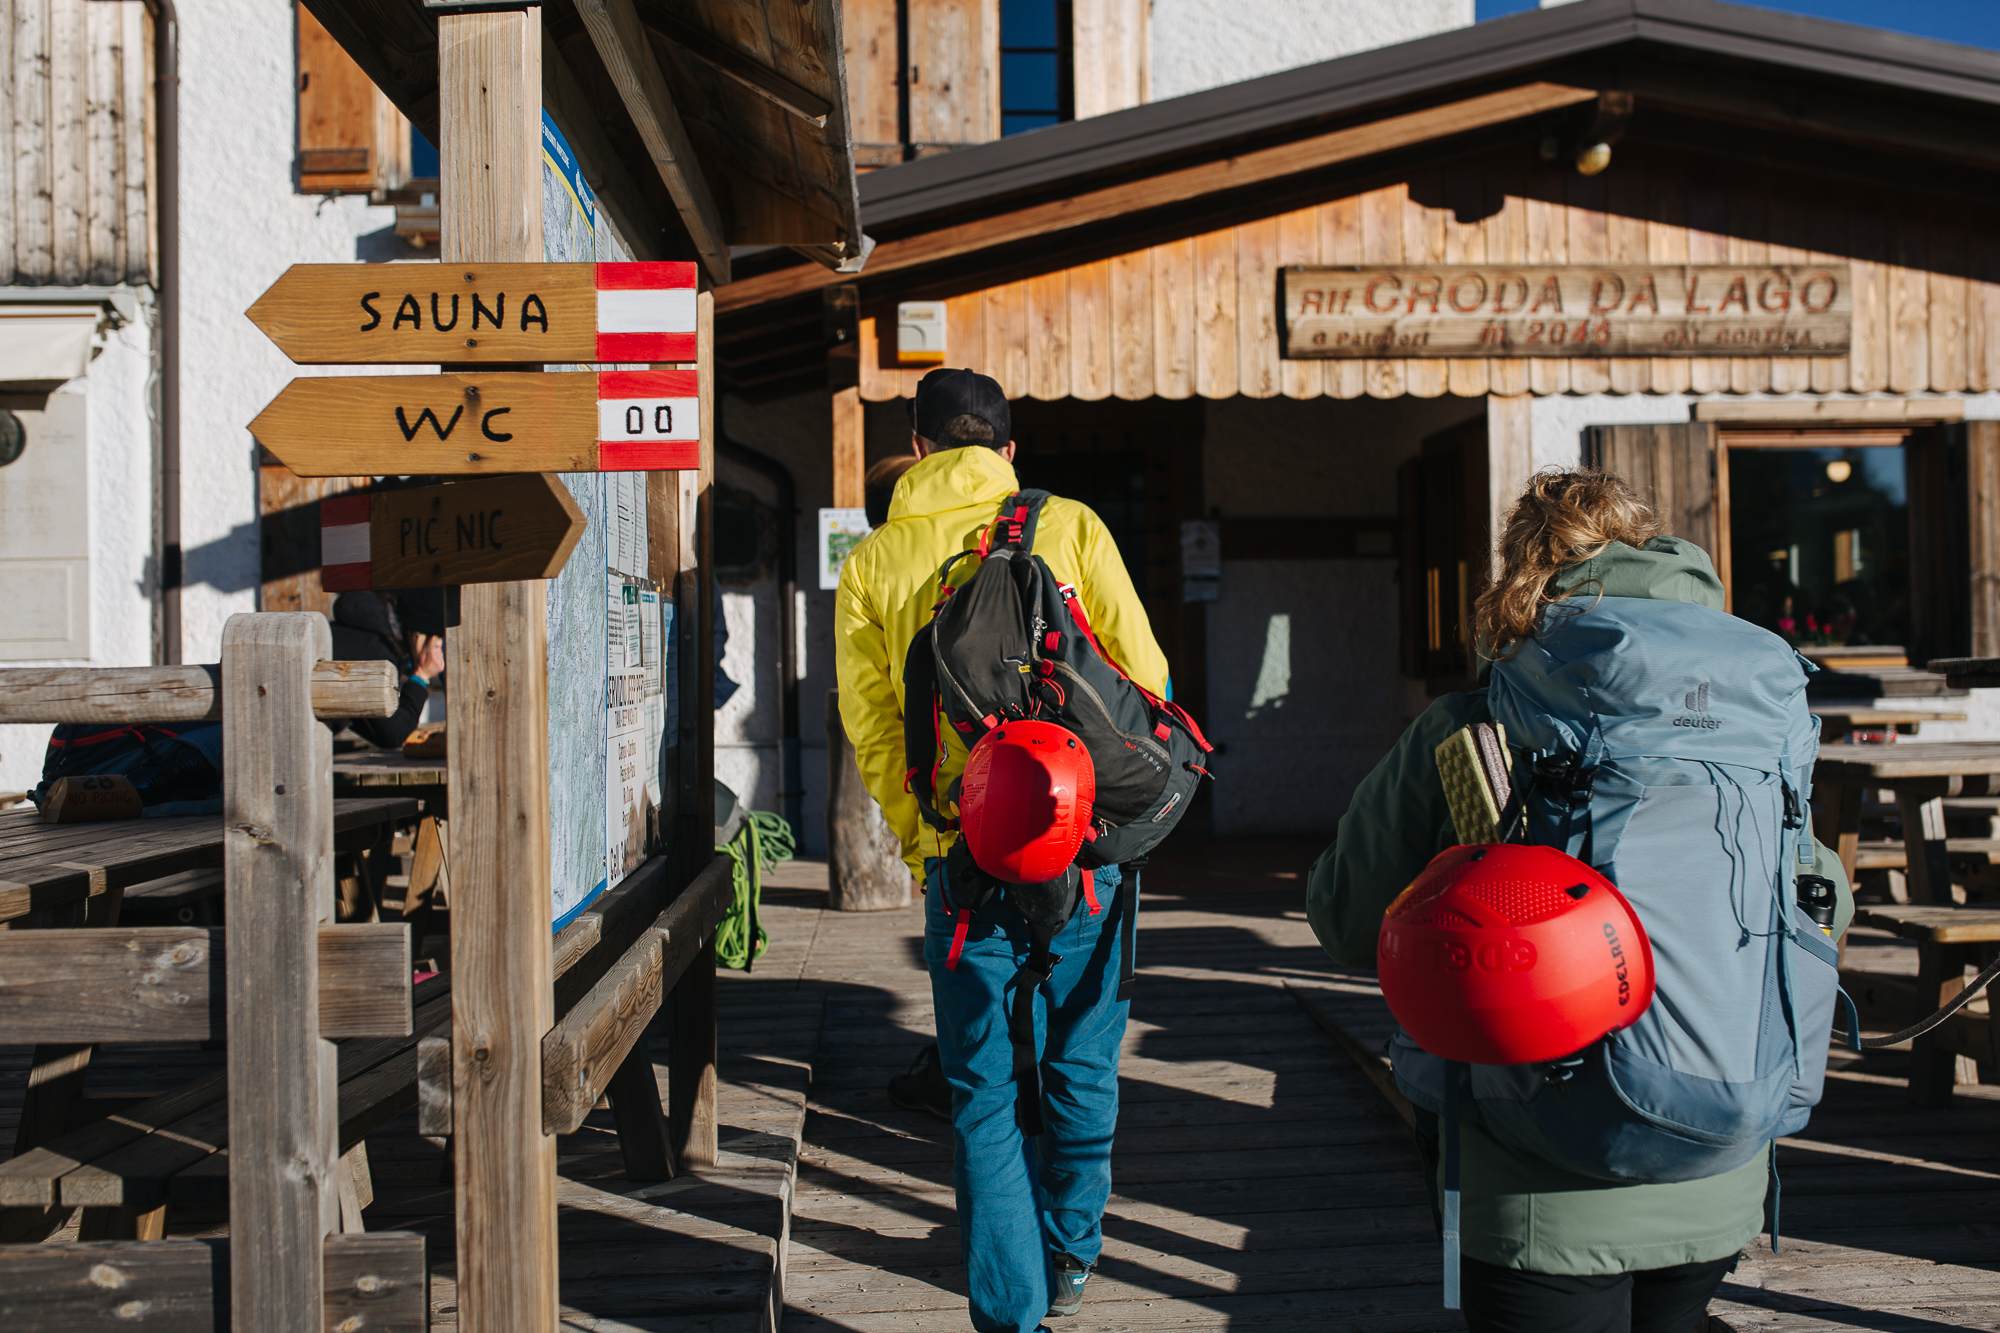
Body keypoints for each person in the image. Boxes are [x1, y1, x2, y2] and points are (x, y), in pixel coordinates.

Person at [1306, 469, 1853, 1333]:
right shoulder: (1753, 711)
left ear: (1523, 568)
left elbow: (1343, 918)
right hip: (1721, 1150)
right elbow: (1820, 898)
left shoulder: (1473, 729)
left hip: (1532, 1178)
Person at [834, 367, 1170, 1333]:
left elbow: (875, 729)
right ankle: (1069, 1255)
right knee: (1082, 1058)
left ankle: (1009, 1309)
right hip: (1082, 848)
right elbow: (1145, 677)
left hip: (963, 853)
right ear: (1009, 451)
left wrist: (927, 841)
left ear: (920, 445)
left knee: (980, 1087)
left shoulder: (874, 563)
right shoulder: (1069, 526)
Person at [328, 590, 443, 750]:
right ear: (422, 637)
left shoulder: (356, 629)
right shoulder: (376, 654)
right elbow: (393, 734)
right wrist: (421, 676)